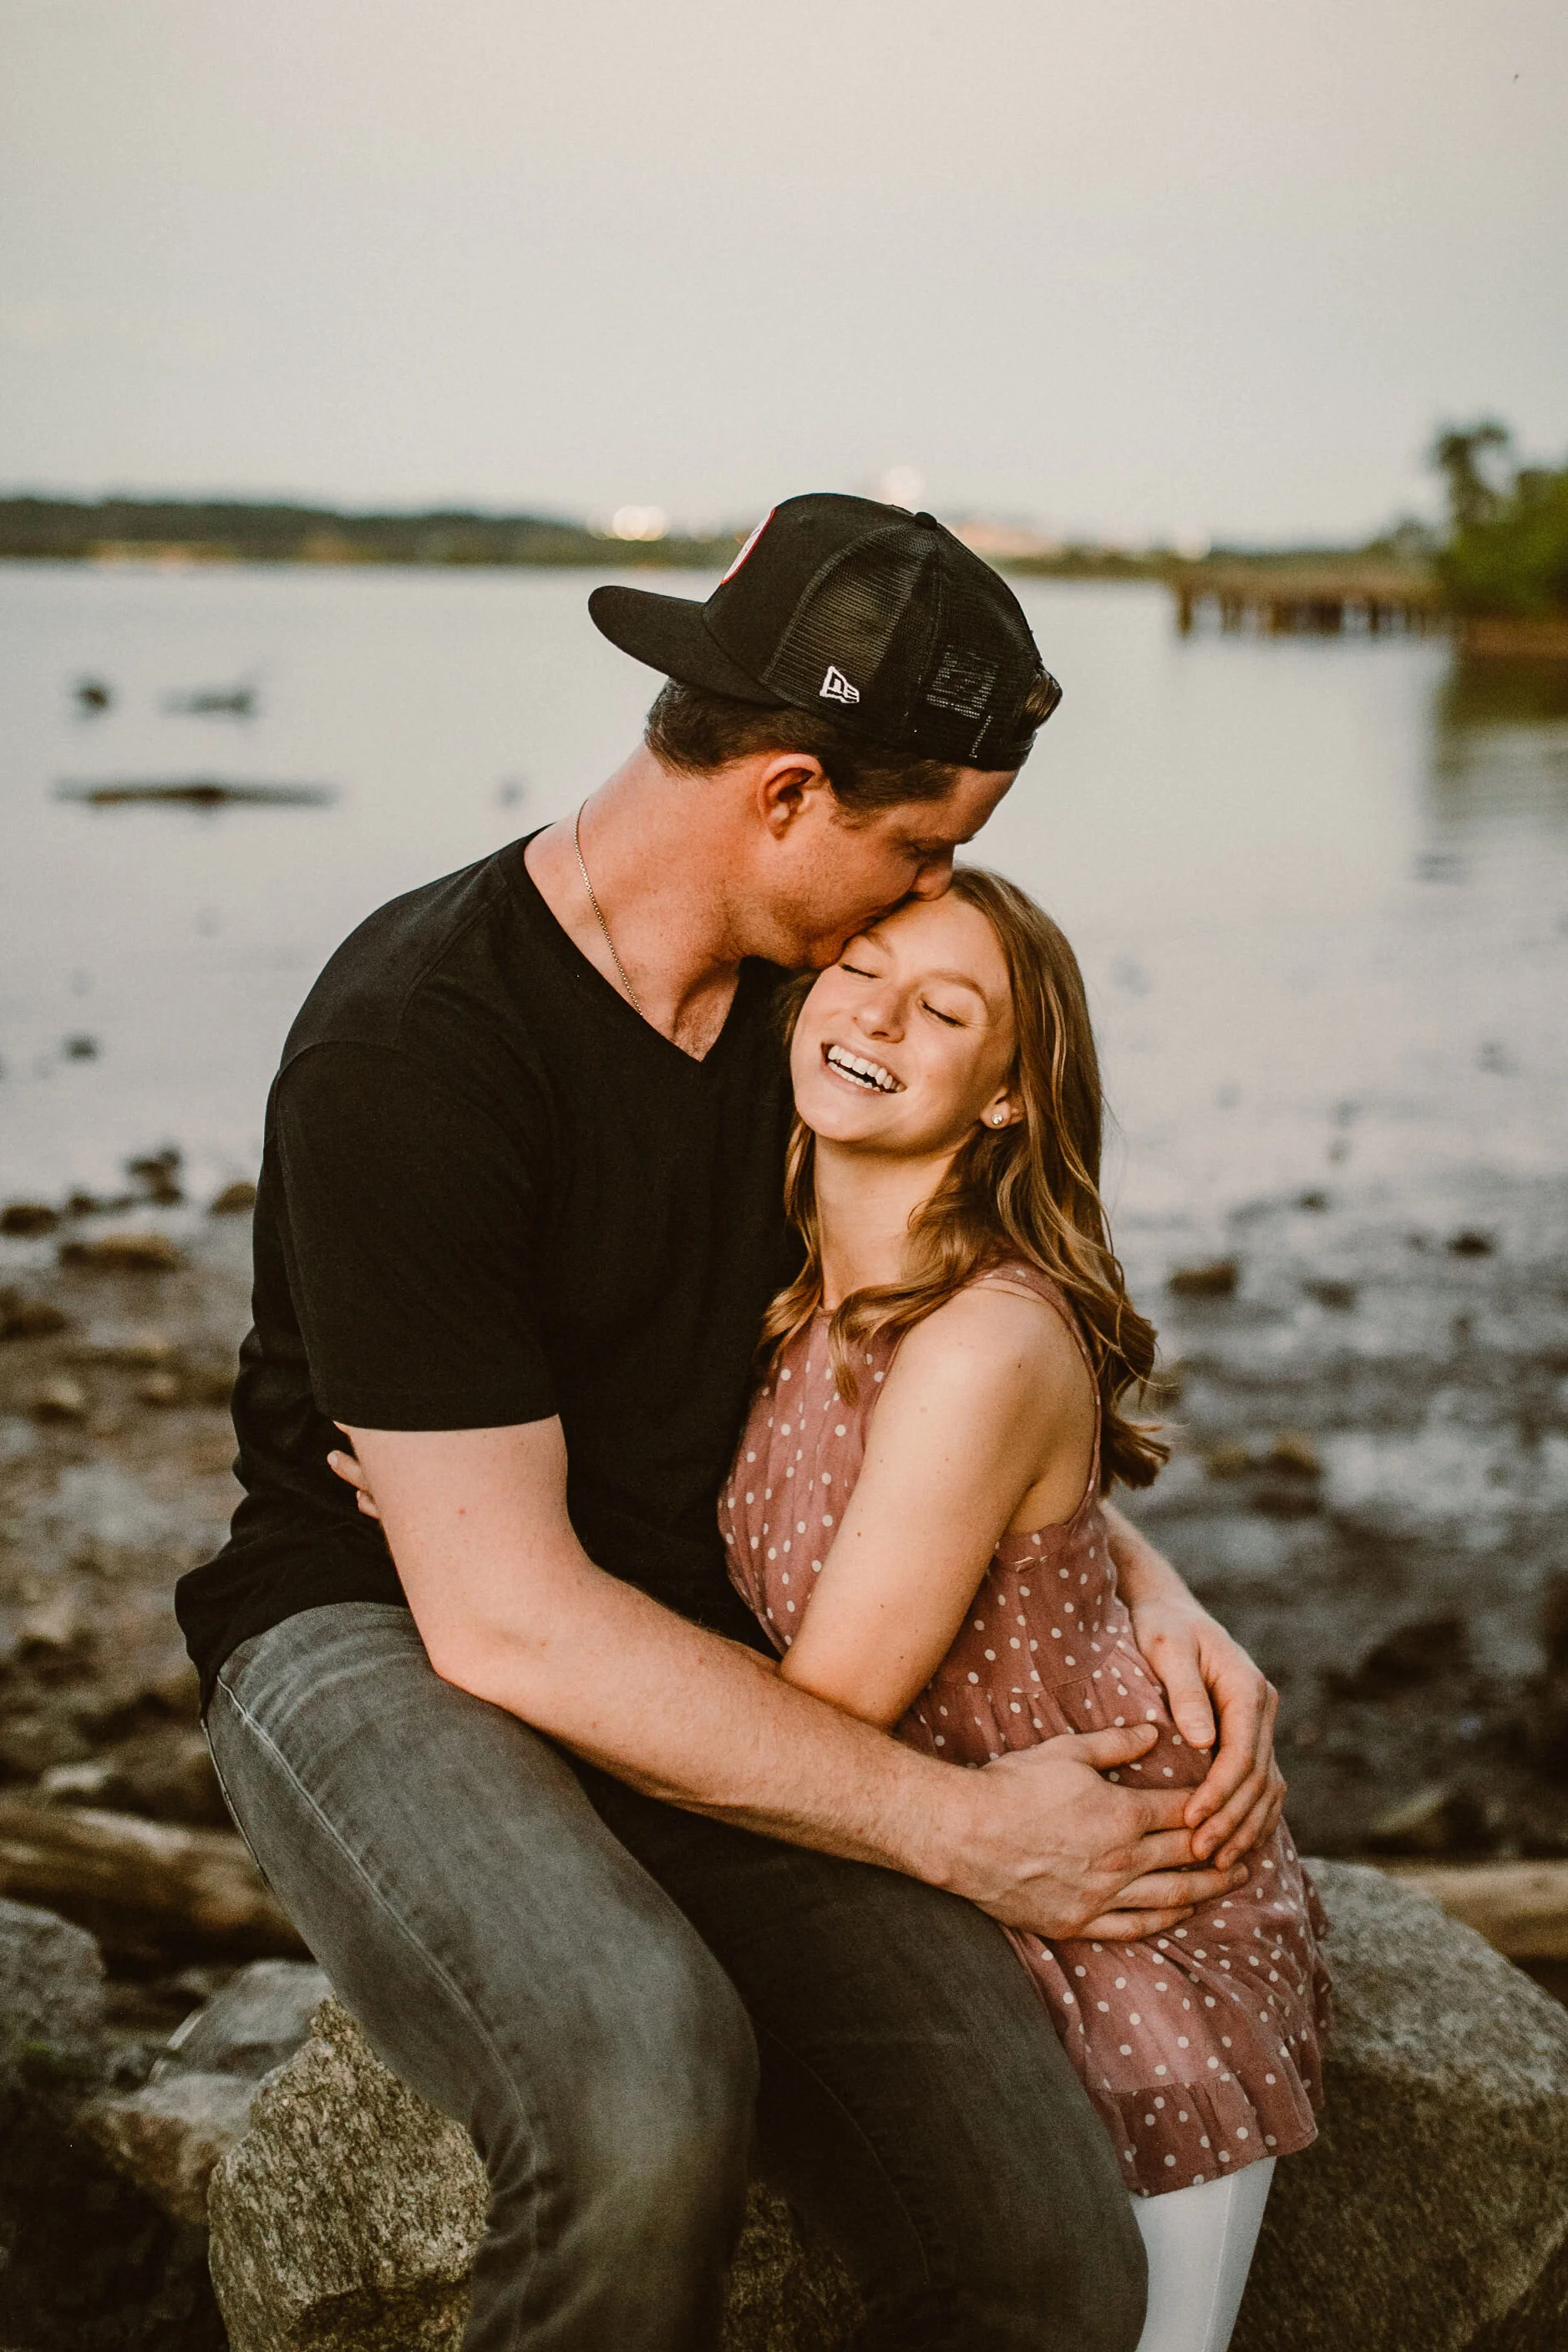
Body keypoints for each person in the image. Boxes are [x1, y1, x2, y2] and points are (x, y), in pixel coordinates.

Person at [176, 495, 1286, 2352]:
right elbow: (503, 1614)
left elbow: (945, 1352)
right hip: (370, 1626)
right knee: (639, 2090)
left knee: (1046, 2250)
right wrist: (954, 1831)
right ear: (783, 794)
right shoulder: (418, 1045)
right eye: (921, 843)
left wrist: (1137, 1579)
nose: (926, 903)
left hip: (724, 1656)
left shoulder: (818, 1014)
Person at [718, 871, 1331, 2352]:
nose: (876, 1013)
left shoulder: (980, 1338)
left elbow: (823, 1719)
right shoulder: (801, 1279)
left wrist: (490, 1598)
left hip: (1119, 1905)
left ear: (1005, 1097)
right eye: (857, 969)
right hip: (951, 1859)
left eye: (944, 1010)